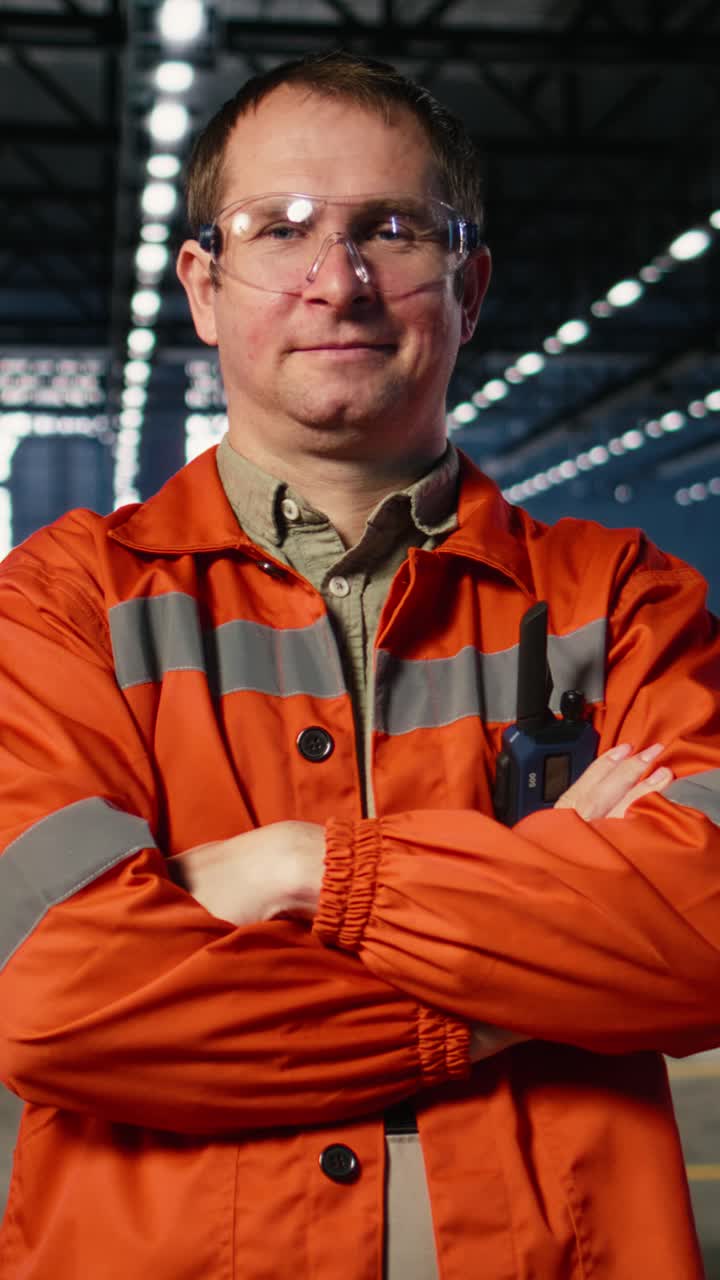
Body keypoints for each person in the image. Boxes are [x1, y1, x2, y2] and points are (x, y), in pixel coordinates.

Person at [0, 49, 719, 1280]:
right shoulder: (57, 607)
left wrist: (303, 870)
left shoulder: (623, 597)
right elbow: (56, 991)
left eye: (391, 229)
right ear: (206, 287)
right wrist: (530, 962)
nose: (339, 282)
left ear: (470, 282)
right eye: (278, 229)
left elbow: (703, 929)